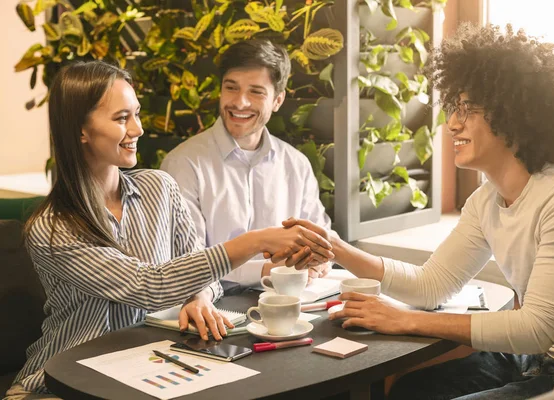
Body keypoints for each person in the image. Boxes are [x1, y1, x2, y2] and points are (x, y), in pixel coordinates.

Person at [283, 23, 554, 399]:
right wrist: (336, 248)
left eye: (467, 110)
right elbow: (430, 285)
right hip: (528, 358)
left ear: (514, 115)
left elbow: (536, 328)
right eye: (454, 107)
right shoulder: (486, 201)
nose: (452, 123)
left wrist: (404, 320)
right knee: (409, 391)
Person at [6, 61, 333, 399]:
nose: (138, 129)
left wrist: (198, 297)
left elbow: (200, 270)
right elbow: (148, 285)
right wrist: (255, 241)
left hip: (147, 369)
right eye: (121, 118)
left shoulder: (159, 188)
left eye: (137, 114)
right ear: (80, 130)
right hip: (58, 383)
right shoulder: (52, 227)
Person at [160, 39, 333, 335]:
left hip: (292, 311)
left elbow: (319, 237)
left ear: (277, 100)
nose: (239, 102)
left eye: (255, 92)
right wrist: (268, 271)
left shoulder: (297, 164)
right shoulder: (183, 164)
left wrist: (317, 260)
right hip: (216, 314)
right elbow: (187, 264)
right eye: (231, 87)